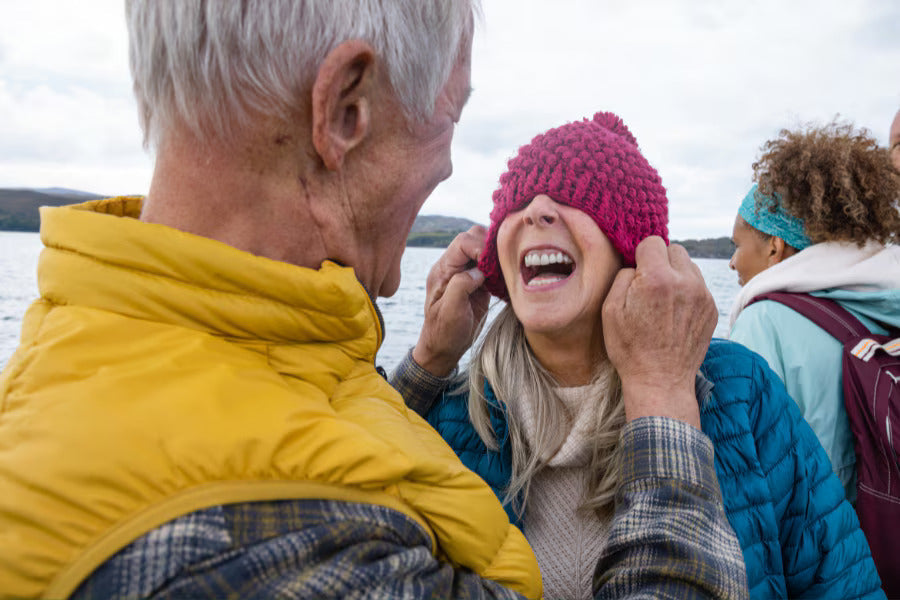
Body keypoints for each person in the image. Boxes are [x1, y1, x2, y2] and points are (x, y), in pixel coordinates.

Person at [0, 2, 748, 599]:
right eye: (448, 120)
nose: (450, 170)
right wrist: (658, 393)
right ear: (346, 111)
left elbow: (301, 436)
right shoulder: (262, 549)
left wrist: (422, 368)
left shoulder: (105, 350)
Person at [392, 112, 885, 600]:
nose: (536, 210)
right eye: (518, 202)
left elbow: (842, 583)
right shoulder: (453, 409)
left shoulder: (739, 389)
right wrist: (425, 363)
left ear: (633, 253)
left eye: (575, 198)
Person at [728, 121, 900, 501]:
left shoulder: (763, 323)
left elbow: (742, 479)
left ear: (775, 246)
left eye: (737, 245)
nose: (732, 263)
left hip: (812, 550)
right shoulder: (884, 305)